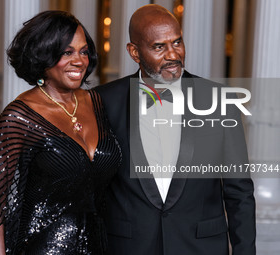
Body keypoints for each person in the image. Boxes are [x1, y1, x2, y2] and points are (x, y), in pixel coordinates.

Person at [95, 4, 256, 255]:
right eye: (159, 47)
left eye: (177, 42)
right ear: (134, 52)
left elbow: (240, 193)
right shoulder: (103, 102)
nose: (173, 54)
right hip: (129, 247)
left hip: (201, 247)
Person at [0, 11, 121, 255]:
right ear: (43, 56)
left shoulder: (96, 103)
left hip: (101, 246)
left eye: (84, 51)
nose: (79, 60)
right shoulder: (19, 117)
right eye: (67, 52)